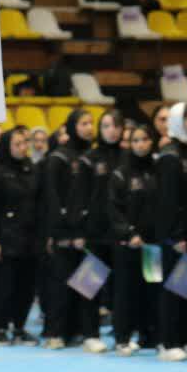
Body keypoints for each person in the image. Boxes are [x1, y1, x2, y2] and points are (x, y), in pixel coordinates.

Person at [42, 110, 101, 351]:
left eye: (91, 123)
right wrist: (63, 232)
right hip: (65, 235)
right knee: (62, 286)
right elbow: (53, 198)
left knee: (89, 285)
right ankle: (56, 332)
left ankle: (86, 332)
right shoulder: (58, 158)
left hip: (89, 233)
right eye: (83, 123)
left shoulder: (93, 156)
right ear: (72, 126)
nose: (89, 127)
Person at [108, 124, 160, 356]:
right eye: (135, 140)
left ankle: (149, 335)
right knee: (126, 291)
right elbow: (114, 209)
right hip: (128, 244)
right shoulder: (120, 173)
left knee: (151, 289)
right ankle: (122, 337)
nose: (140, 144)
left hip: (153, 245)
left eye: (144, 139)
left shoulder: (157, 170)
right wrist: (129, 233)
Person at [155, 103, 187, 362]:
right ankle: (168, 340)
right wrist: (176, 235)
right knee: (172, 289)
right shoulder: (170, 156)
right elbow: (168, 202)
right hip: (174, 237)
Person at [0, 126, 40, 345]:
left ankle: (19, 326)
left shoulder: (32, 169)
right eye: (17, 144)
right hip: (7, 239)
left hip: (30, 238)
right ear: (7, 146)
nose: (23, 148)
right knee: (5, 286)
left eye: (25, 143)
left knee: (26, 286)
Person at [82, 109, 125, 325]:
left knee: (121, 284)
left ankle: (121, 333)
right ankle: (89, 331)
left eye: (116, 126)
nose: (112, 131)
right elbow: (81, 197)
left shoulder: (128, 157)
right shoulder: (90, 158)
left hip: (120, 231)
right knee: (90, 283)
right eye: (107, 126)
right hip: (95, 230)